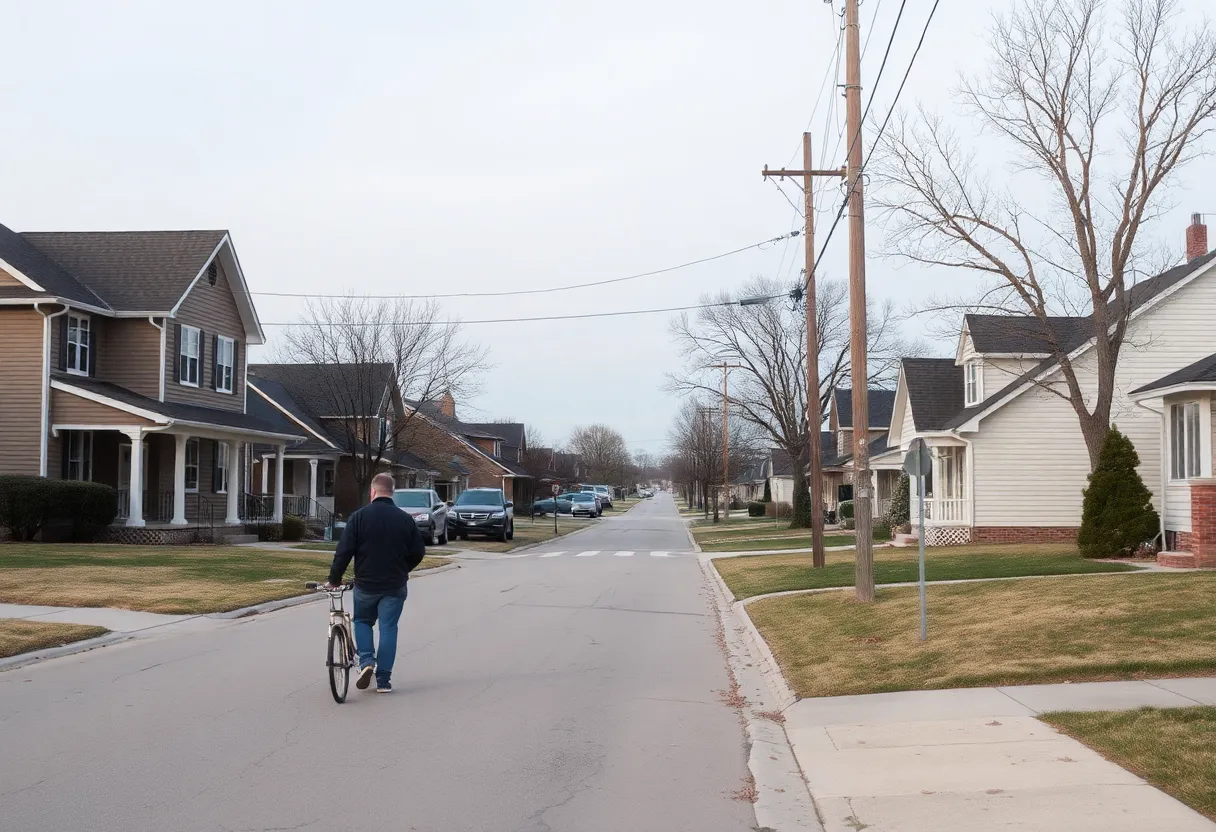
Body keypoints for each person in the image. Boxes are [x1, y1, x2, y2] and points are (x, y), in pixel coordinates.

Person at [327, 471, 426, 693]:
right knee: (389, 627)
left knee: (362, 621)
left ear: (372, 491)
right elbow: (419, 551)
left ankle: (367, 661)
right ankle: (383, 681)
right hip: (394, 585)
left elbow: (344, 552)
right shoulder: (405, 519)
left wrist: (334, 579)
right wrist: (403, 569)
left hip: (366, 584)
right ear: (392, 493)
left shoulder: (359, 517)